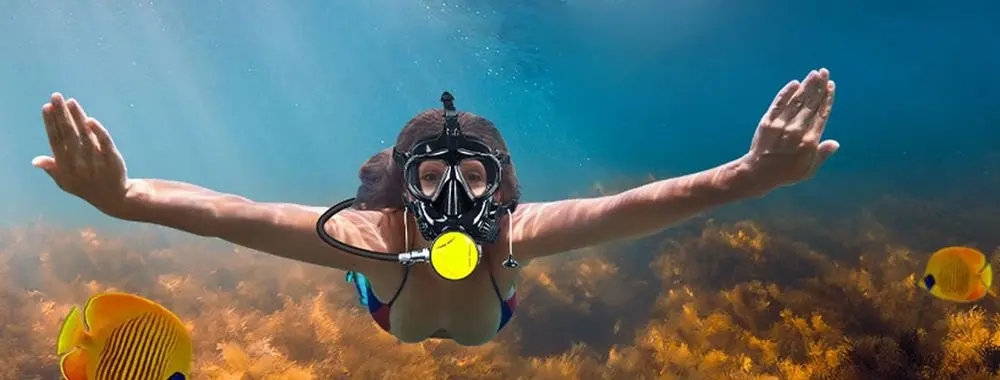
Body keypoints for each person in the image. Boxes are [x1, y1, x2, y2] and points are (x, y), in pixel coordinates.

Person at [33, 68, 840, 346]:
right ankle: (376, 170)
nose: (455, 195)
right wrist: (124, 198)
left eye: (474, 176)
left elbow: (638, 204)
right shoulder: (363, 238)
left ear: (503, 183)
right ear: (409, 184)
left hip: (484, 298)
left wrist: (748, 175)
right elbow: (229, 210)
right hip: (385, 299)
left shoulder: (517, 237)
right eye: (429, 177)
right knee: (363, 222)